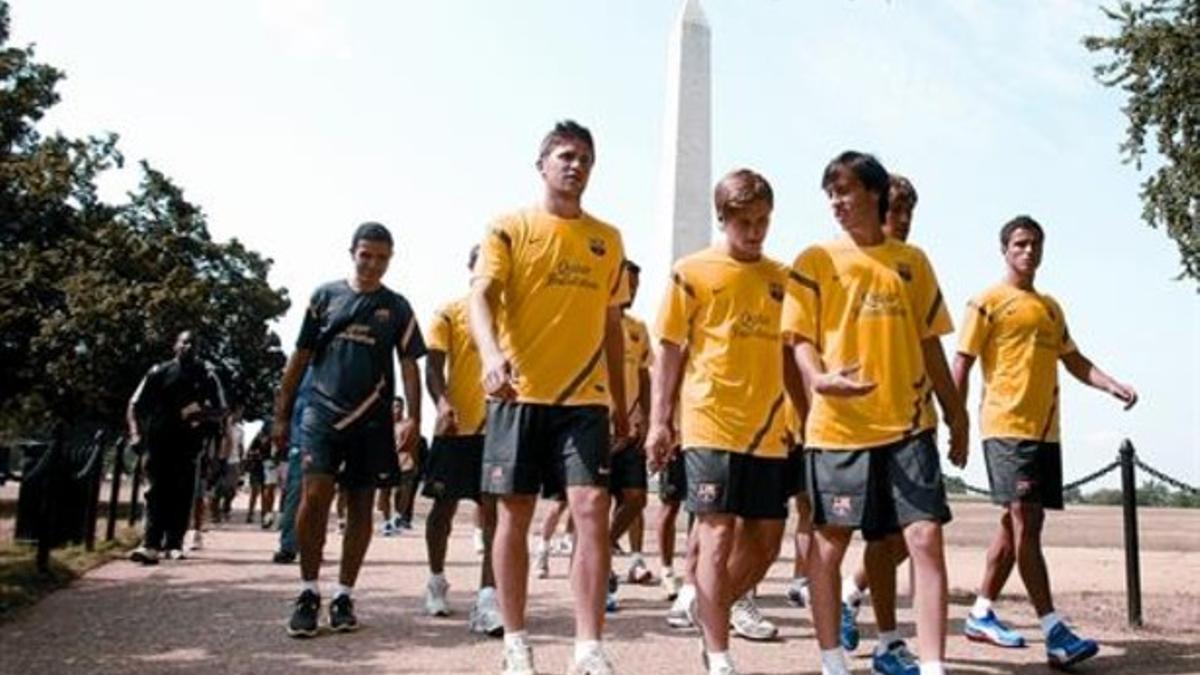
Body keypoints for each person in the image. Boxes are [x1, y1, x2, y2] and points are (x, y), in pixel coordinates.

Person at [783, 151, 968, 675]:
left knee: (924, 538)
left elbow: (931, 345)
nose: (838, 203)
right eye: (831, 195)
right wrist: (819, 380)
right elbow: (797, 340)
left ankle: (932, 665)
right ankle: (832, 662)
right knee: (829, 546)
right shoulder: (814, 258)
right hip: (839, 429)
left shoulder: (913, 262)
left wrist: (957, 415)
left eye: (846, 192)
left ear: (875, 192)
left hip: (909, 425)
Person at [470, 120, 630, 675]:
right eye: (564, 155)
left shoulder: (607, 239)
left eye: (585, 157)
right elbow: (480, 297)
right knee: (512, 516)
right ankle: (516, 639)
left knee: (590, 509)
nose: (575, 165)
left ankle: (588, 648)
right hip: (519, 393)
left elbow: (613, 325)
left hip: (584, 399)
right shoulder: (509, 227)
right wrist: (491, 356)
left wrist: (624, 402)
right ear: (541, 164)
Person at [954, 215, 1138, 669]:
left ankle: (979, 614)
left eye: (1035, 244)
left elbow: (1073, 359)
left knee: (1016, 525)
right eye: (1020, 244)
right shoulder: (986, 301)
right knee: (1024, 518)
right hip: (1004, 427)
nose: (1029, 251)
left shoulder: (1051, 307)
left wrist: (1110, 383)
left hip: (1044, 432)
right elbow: (961, 364)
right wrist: (955, 424)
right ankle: (1054, 630)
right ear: (1004, 249)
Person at [647, 168, 793, 675]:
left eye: (763, 221)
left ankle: (710, 606)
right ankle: (718, 653)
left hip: (770, 429)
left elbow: (795, 354)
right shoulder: (691, 270)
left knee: (768, 541)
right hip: (710, 423)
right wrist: (660, 421)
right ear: (723, 218)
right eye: (745, 221)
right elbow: (668, 347)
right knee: (716, 535)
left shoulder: (784, 279)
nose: (754, 231)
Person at [272, 222, 425, 638]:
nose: (373, 264)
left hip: (372, 418)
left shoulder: (397, 307)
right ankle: (307, 591)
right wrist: (281, 413)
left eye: (382, 257)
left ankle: (343, 594)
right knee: (315, 496)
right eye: (366, 255)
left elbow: (410, 363)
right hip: (320, 412)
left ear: (390, 259)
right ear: (352, 252)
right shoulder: (325, 297)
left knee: (361, 506)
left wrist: (413, 416)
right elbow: (300, 355)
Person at [839, 173, 928, 672]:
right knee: (878, 536)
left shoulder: (914, 268)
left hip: (912, 420)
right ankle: (885, 638)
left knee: (913, 534)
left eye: (910, 215)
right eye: (897, 214)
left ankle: (852, 598)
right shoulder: (848, 265)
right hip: (859, 424)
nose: (905, 224)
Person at [422, 245, 502, 636]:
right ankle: (436, 578)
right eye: (481, 265)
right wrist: (442, 404)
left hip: (497, 429)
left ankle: (488, 594)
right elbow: (433, 367)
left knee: (493, 513)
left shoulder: (513, 315)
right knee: (443, 510)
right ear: (470, 269)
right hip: (456, 428)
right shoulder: (449, 311)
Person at [127, 330, 226, 564]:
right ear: (175, 345)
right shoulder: (158, 372)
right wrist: (134, 433)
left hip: (188, 444)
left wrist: (200, 414)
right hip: (158, 441)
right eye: (184, 342)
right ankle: (150, 543)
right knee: (155, 491)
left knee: (182, 493)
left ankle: (174, 543)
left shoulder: (207, 375)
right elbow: (134, 405)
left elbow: (222, 410)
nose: (189, 346)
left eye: (194, 343)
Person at [606, 260, 653, 611]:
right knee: (591, 504)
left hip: (632, 429)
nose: (632, 292)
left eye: (637, 287)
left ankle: (603, 545)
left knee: (636, 498)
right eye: (628, 285)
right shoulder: (593, 321)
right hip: (596, 426)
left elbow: (646, 375)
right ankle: (600, 580)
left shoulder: (639, 329)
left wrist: (646, 416)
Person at [273, 370, 313, 564]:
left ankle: (313, 545)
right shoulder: (301, 370)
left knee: (318, 497)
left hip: (326, 440)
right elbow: (284, 397)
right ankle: (288, 545)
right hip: (300, 441)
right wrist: (280, 424)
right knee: (295, 495)